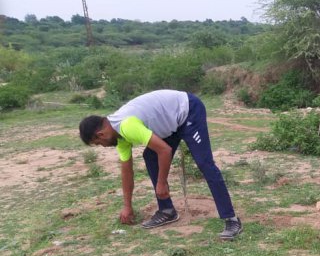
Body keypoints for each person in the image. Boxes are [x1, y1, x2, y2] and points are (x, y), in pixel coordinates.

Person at [78, 89, 243, 240]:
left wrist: (161, 182)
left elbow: (164, 151)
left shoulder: (127, 126)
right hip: (171, 123)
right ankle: (167, 211)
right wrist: (127, 206)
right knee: (150, 155)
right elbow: (126, 172)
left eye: (99, 143)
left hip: (188, 110)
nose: (103, 146)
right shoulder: (119, 137)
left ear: (100, 134)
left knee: (204, 163)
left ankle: (231, 219)